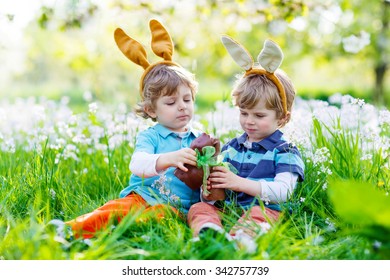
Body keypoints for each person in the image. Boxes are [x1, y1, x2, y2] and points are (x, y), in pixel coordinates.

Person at [51, 19, 204, 239]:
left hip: (176, 208)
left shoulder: (199, 138)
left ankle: (114, 233)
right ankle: (69, 230)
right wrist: (170, 158)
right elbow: (137, 164)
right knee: (115, 209)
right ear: (151, 110)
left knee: (160, 216)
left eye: (187, 99)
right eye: (171, 103)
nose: (182, 106)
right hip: (141, 196)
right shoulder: (150, 136)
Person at [187, 36, 305, 252]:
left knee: (259, 215)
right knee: (199, 207)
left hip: (265, 208)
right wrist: (210, 189)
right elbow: (220, 195)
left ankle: (240, 241)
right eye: (244, 113)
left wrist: (238, 182)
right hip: (230, 209)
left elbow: (283, 191)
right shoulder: (233, 147)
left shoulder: (285, 151)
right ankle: (208, 233)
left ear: (283, 118)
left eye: (259, 115)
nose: (249, 121)